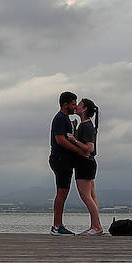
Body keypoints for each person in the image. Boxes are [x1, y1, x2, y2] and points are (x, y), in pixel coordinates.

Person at [49, 92, 79, 235]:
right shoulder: (60, 118)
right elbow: (60, 140)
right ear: (65, 104)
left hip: (63, 159)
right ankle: (57, 226)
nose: (75, 106)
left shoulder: (65, 118)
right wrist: (79, 151)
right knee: (62, 192)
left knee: (63, 192)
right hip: (60, 159)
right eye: (73, 104)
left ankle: (58, 225)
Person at [72, 98, 103, 235]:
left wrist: (73, 140)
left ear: (84, 109)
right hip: (88, 163)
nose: (76, 106)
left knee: (86, 196)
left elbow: (90, 148)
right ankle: (95, 226)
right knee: (91, 196)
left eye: (79, 105)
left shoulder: (87, 126)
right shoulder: (84, 125)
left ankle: (97, 227)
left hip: (84, 163)